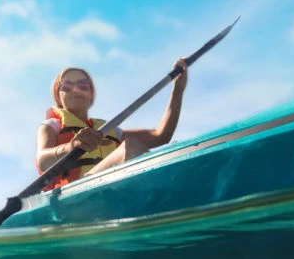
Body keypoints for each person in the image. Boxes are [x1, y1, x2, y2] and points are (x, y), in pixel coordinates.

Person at [36, 59, 188, 190]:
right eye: (67, 86)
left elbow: (161, 136)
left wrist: (178, 90)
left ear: (91, 94)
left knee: (133, 147)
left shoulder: (110, 130)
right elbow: (42, 161)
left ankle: (163, 191)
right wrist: (70, 147)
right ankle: (165, 190)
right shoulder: (52, 125)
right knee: (131, 147)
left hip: (108, 186)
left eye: (83, 85)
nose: (76, 89)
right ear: (57, 94)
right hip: (74, 193)